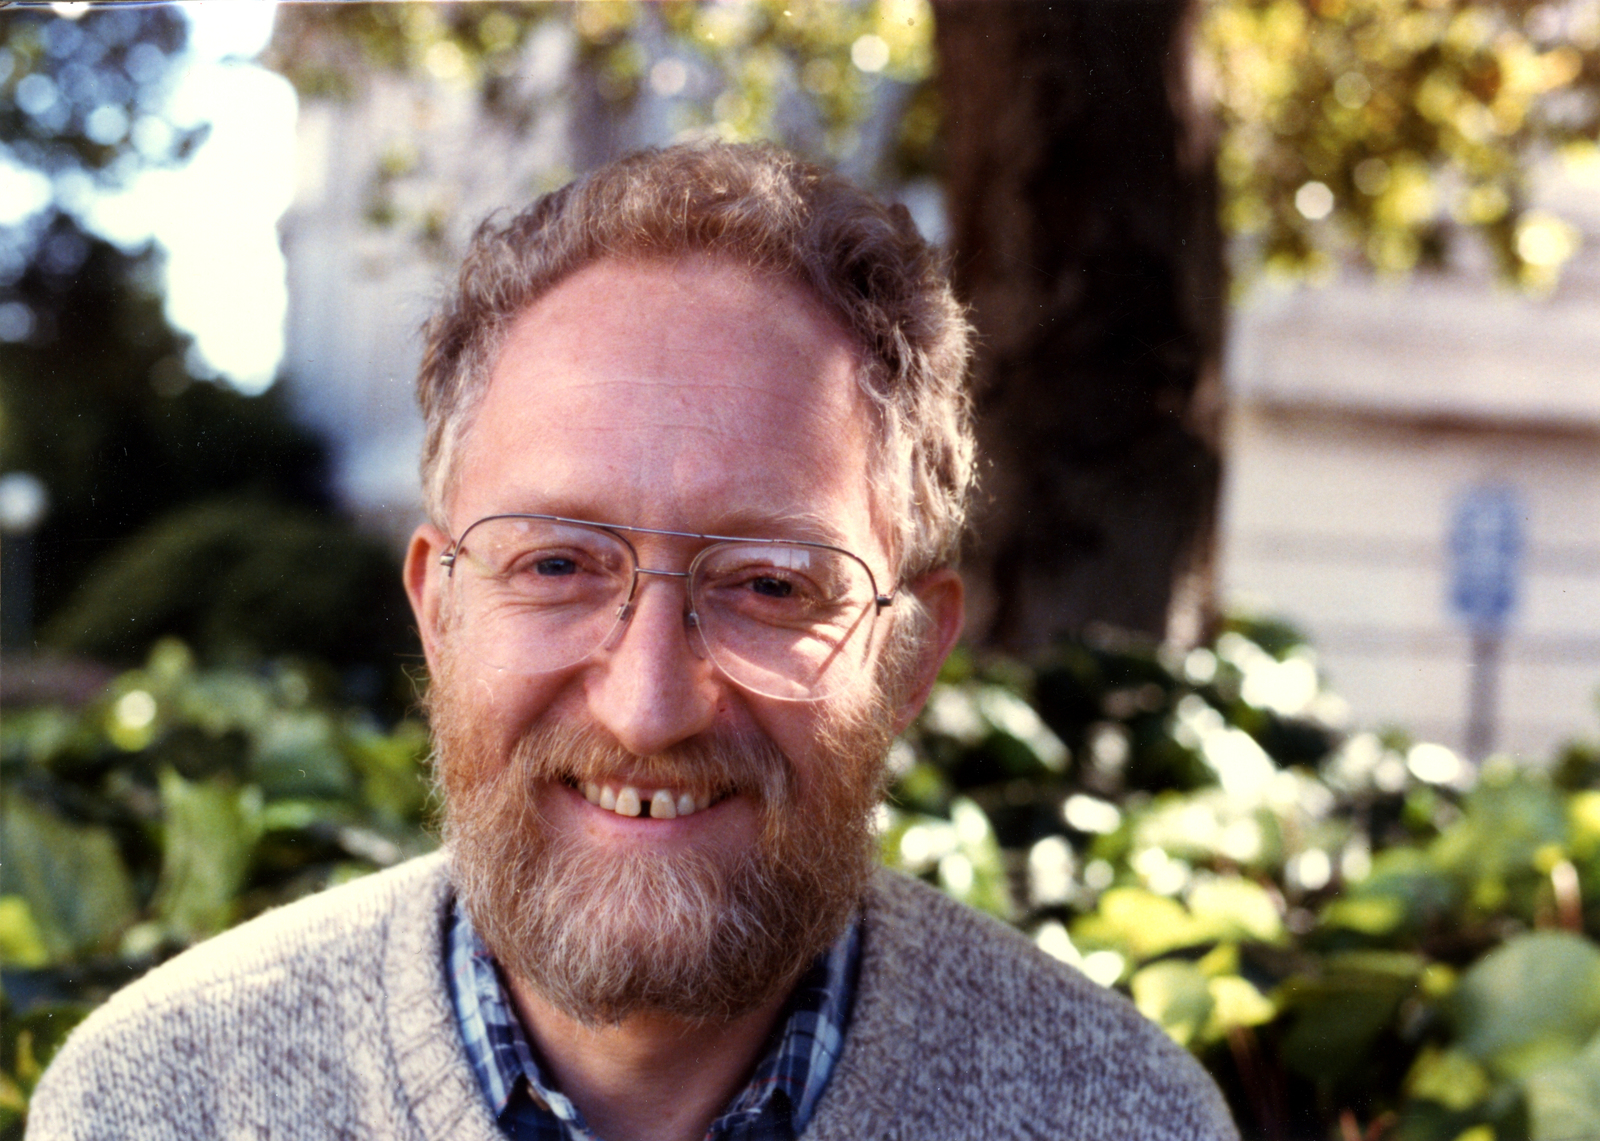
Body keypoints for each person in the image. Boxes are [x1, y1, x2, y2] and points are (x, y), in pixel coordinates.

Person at [27, 143, 1238, 1141]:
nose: (647, 704)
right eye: (556, 563)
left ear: (911, 652)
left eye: (770, 584)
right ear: (438, 606)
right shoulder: (156, 1102)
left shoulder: (1124, 1118)